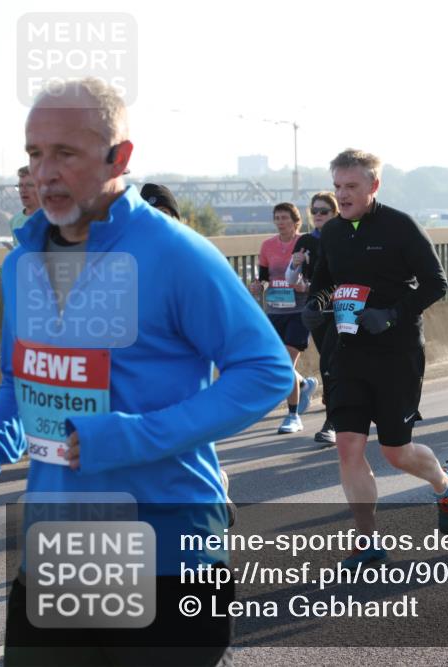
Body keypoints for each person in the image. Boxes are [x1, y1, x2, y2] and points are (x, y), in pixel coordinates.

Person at [0, 77, 291, 665]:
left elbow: (265, 371)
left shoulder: (175, 253)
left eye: (65, 153)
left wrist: (130, 435)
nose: (44, 172)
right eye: (34, 154)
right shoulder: (22, 260)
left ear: (119, 157)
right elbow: (20, 387)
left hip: (167, 559)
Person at [305, 148, 448, 566]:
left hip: (396, 354)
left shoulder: (399, 227)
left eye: (351, 186)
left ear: (374, 186)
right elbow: (324, 281)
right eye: (338, 186)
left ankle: (444, 483)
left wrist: (391, 315)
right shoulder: (333, 233)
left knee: (396, 452)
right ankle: (368, 541)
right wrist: (317, 303)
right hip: (348, 352)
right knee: (348, 446)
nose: (342, 195)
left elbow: (436, 282)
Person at [141, 182, 238, 526]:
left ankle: (212, 488)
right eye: (151, 214)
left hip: (188, 364)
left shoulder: (197, 256)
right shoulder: (126, 259)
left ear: (177, 217)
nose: (158, 221)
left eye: (165, 214)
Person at [250, 203, 319, 434]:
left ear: (295, 221)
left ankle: (292, 415)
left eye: (285, 218)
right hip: (275, 311)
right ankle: (304, 384)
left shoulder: (305, 243)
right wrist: (257, 287)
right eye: (277, 218)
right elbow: (263, 279)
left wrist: (303, 287)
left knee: (285, 363)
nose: (280, 222)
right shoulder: (267, 246)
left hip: (299, 311)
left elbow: (315, 278)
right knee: (275, 362)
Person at [288, 191, 340, 446]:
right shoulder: (306, 241)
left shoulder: (345, 236)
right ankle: (335, 417)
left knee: (335, 362)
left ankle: (336, 419)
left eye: (324, 211)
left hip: (343, 308)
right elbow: (291, 280)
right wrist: (295, 264)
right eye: (315, 211)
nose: (318, 215)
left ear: (335, 213)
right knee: (327, 363)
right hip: (316, 309)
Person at [7, 166, 40, 247]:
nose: (23, 190)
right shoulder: (14, 221)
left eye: (29, 185)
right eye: (20, 185)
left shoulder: (52, 219)